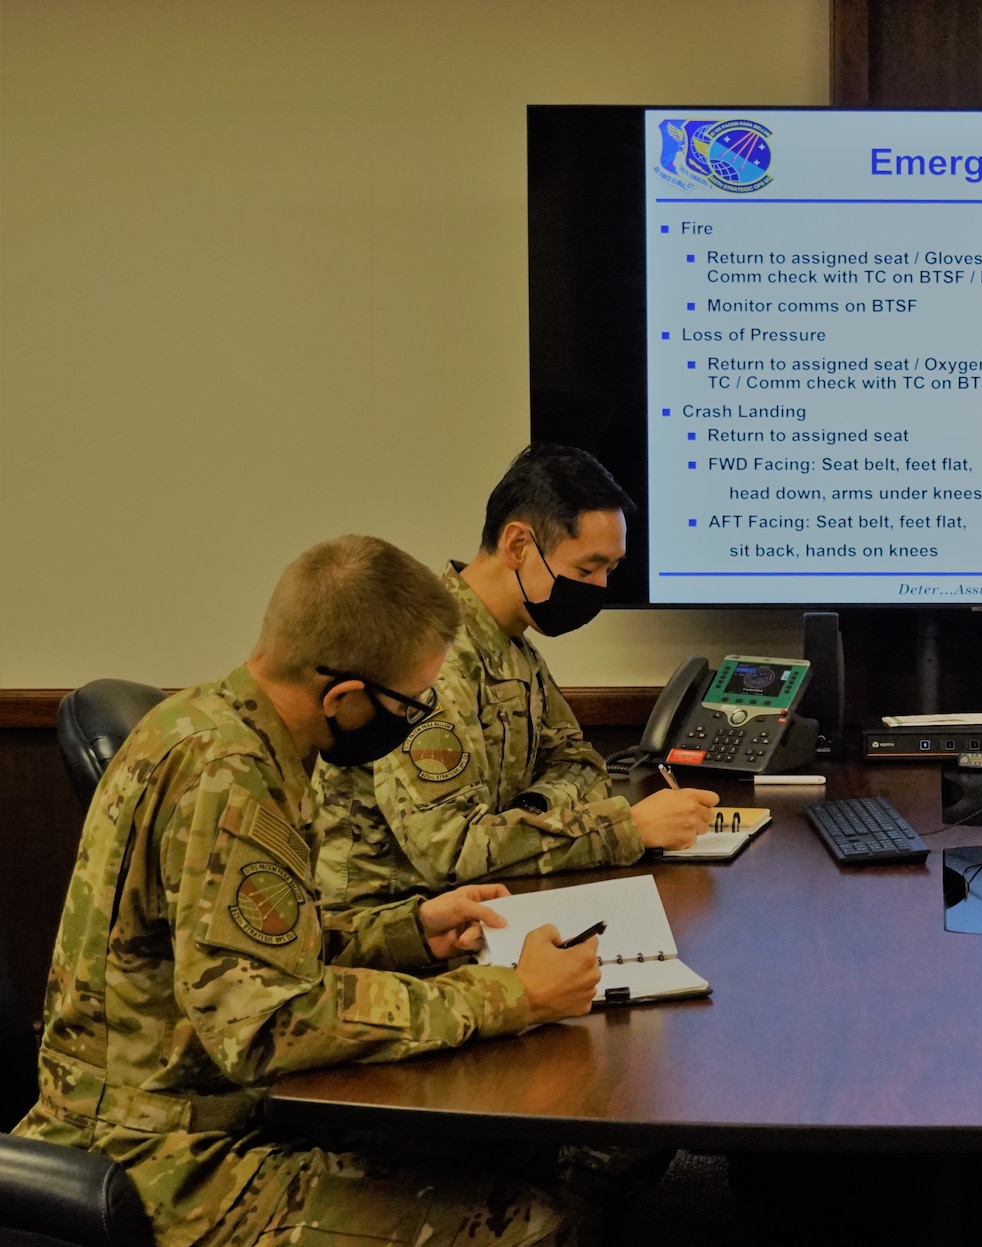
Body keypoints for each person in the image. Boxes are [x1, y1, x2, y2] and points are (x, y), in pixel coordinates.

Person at [14, 535, 606, 1245]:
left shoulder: (203, 722)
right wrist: (515, 995)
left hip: (189, 1108)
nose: (411, 722)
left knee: (504, 1150)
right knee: (535, 1226)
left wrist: (409, 930)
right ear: (346, 696)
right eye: (412, 706)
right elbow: (267, 1024)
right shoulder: (233, 783)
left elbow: (250, 948)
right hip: (163, 1158)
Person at [314, 445, 718, 911]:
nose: (601, 587)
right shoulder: (426, 659)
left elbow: (581, 765)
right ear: (517, 545)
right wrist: (626, 828)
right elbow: (453, 852)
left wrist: (529, 813)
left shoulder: (510, 643)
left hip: (481, 907)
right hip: (395, 933)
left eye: (611, 569)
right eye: (587, 568)